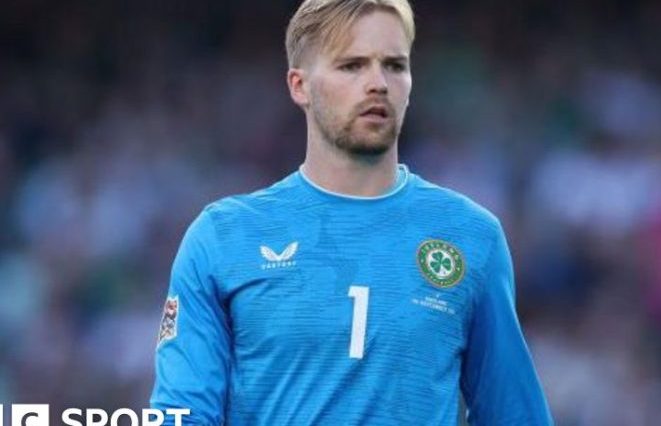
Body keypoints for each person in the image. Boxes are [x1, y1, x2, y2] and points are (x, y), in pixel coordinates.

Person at [150, 0, 553, 424]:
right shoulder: (224, 236)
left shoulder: (470, 236)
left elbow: (515, 414)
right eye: (352, 66)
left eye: (394, 66)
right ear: (299, 86)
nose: (378, 83)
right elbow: (181, 413)